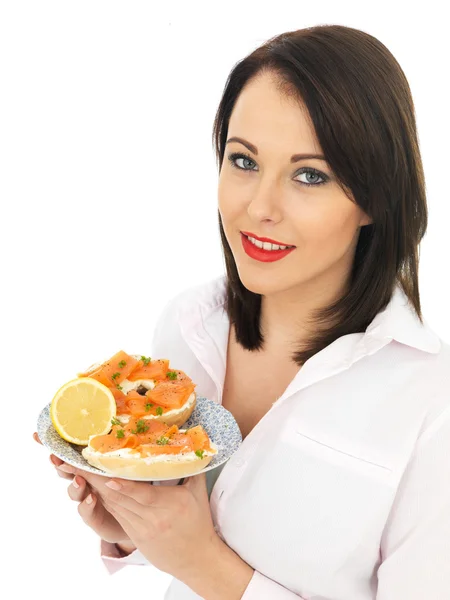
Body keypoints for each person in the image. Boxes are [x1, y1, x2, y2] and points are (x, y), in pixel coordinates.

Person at [33, 23, 450, 599]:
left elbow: (203, 559)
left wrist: (202, 561)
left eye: (310, 175)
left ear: (376, 198)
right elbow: (189, 541)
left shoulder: (433, 405)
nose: (259, 207)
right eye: (244, 160)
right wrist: (133, 528)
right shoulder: (186, 325)